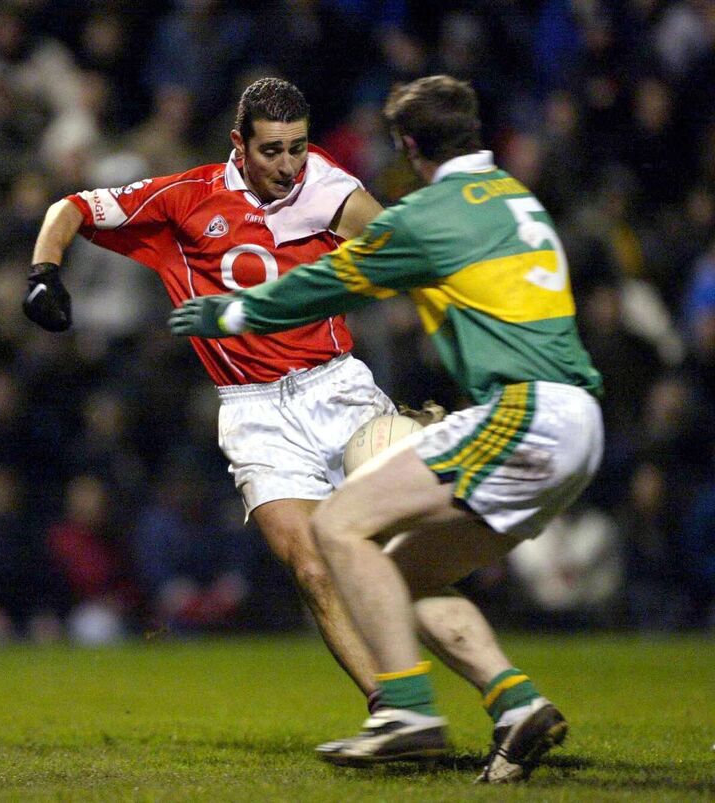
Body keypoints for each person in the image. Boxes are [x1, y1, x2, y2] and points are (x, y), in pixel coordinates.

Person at [170, 75, 604, 783]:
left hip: (524, 412)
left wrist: (232, 314)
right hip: (582, 424)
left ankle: (405, 709)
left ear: (408, 145)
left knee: (339, 525)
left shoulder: (429, 214)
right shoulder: (516, 199)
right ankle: (515, 702)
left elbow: (325, 283)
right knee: (406, 567)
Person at [26, 77, 396, 706]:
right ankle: (391, 707)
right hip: (253, 411)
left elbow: (398, 245)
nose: (288, 166)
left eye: (298, 148)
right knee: (309, 567)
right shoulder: (185, 198)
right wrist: (43, 273)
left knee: (403, 553)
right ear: (239, 144)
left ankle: (500, 693)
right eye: (272, 150)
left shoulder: (329, 187)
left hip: (338, 387)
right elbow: (72, 208)